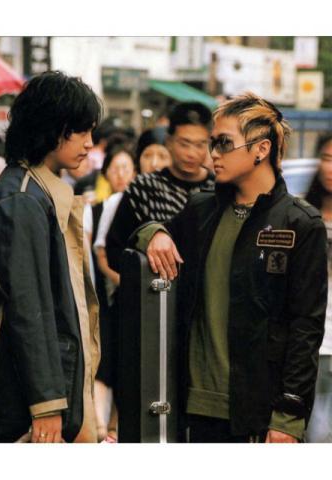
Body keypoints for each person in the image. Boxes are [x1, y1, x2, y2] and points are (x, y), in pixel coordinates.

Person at [132, 93, 327, 443]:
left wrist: (288, 417)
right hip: (192, 408)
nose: (213, 154)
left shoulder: (300, 223)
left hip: (260, 412)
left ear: (261, 149)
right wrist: (154, 233)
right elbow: (140, 235)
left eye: (224, 143)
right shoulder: (201, 210)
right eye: (213, 143)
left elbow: (306, 328)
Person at [0, 71, 102, 443]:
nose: (89, 143)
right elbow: (29, 306)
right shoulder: (22, 199)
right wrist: (47, 403)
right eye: (81, 131)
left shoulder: (35, 190)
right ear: (51, 128)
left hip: (31, 392)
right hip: (15, 397)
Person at [106, 102, 215, 274]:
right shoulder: (143, 188)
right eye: (184, 144)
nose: (191, 153)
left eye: (200, 145)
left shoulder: (218, 189)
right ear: (169, 142)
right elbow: (115, 252)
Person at [87, 142, 136, 441]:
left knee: (126, 361)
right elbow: (97, 253)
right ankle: (102, 427)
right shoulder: (97, 207)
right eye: (115, 168)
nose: (120, 174)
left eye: (126, 168)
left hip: (132, 300)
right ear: (105, 173)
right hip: (107, 298)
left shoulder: (139, 206)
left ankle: (115, 427)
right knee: (107, 359)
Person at [304, 133, 332, 442]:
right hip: (313, 346)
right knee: (316, 434)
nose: (330, 168)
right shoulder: (303, 215)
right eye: (326, 159)